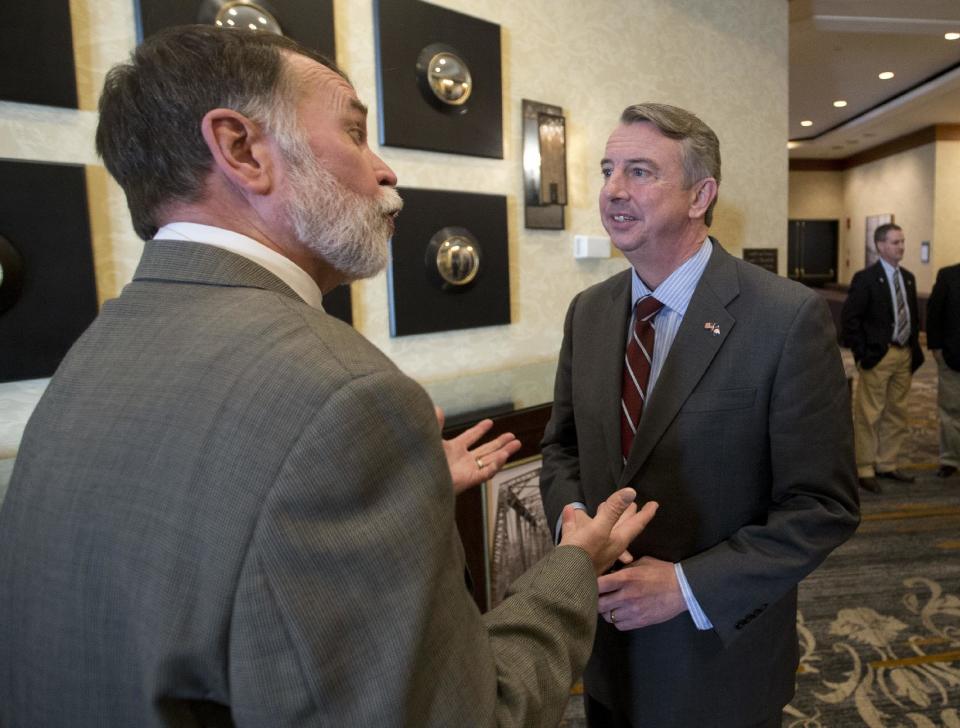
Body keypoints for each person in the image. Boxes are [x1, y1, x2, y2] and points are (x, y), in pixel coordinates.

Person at [0, 27, 659, 727]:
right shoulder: (346, 398)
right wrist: (574, 568)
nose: (385, 171)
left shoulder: (101, 347)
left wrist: (392, 484)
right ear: (242, 149)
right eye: (354, 133)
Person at [539, 103, 860, 728]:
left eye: (639, 171)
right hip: (604, 658)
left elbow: (823, 507)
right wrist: (575, 522)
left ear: (700, 195)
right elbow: (563, 448)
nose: (613, 191)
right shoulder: (590, 312)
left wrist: (687, 586)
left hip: (718, 668)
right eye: (608, 170)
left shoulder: (786, 318)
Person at [841, 223, 925, 493]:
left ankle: (887, 462)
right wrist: (862, 353)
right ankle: (864, 467)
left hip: (904, 354)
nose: (901, 246)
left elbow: (911, 315)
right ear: (880, 246)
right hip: (878, 355)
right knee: (869, 413)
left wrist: (913, 350)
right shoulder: (865, 278)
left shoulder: (908, 278)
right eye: (894, 242)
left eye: (902, 241)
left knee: (897, 411)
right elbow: (850, 320)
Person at [926, 262, 960, 479]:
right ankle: (950, 460)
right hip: (952, 358)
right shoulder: (948, 275)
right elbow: (934, 313)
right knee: (951, 412)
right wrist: (937, 349)